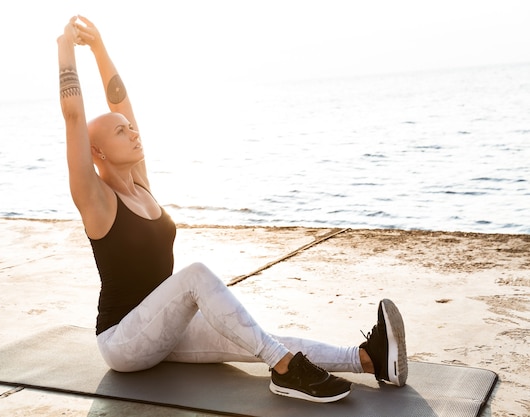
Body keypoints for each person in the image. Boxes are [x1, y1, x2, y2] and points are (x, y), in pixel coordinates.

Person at [57, 15, 407, 403]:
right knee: (196, 276)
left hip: (162, 328)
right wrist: (66, 48)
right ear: (98, 152)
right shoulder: (97, 199)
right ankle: (285, 370)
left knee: (254, 333)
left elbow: (120, 99)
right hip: (123, 340)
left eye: (131, 127)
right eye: (121, 131)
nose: (134, 131)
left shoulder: (140, 182)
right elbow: (74, 117)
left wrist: (100, 48)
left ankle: (369, 360)